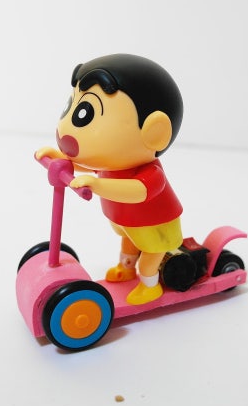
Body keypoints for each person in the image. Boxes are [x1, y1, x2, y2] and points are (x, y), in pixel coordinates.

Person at [36, 54, 184, 305]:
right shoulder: (113, 162)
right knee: (128, 243)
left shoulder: (152, 174)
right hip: (127, 221)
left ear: (154, 132)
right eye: (72, 107)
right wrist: (63, 159)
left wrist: (98, 185)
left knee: (149, 258)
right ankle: (126, 269)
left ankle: (150, 286)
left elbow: (137, 191)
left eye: (87, 114)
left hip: (155, 225)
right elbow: (91, 166)